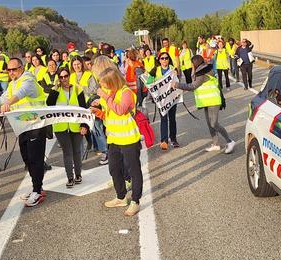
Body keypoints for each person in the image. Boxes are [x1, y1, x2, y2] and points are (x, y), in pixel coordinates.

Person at [0, 58, 50, 207]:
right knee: (27, 159)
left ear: (22, 67)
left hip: (36, 126)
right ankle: (37, 187)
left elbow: (20, 94)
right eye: (9, 70)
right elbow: (2, 98)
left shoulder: (28, 80)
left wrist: (7, 104)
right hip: (23, 127)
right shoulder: (13, 84)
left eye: (14, 69)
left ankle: (37, 191)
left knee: (35, 159)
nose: (11, 72)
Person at [90, 64, 142, 217]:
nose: (102, 87)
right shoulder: (110, 93)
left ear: (113, 82)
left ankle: (135, 201)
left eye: (104, 84)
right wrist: (98, 112)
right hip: (113, 138)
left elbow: (119, 110)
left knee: (134, 171)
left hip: (129, 138)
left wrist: (105, 97)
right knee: (113, 168)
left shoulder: (125, 92)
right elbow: (109, 115)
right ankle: (121, 197)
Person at [173, 55, 236, 154]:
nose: (191, 65)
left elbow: (193, 86)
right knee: (210, 124)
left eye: (192, 63)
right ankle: (215, 144)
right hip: (207, 101)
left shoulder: (202, 73)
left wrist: (177, 85)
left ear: (195, 63)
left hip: (213, 100)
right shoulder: (204, 69)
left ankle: (230, 141)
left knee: (214, 123)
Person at [46, 70, 88, 188]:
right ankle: (70, 177)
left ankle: (78, 175)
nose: (64, 79)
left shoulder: (77, 89)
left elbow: (83, 108)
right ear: (58, 78)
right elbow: (49, 103)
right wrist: (55, 88)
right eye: (61, 77)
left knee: (76, 151)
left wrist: (84, 125)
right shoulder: (56, 90)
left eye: (66, 76)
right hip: (61, 126)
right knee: (67, 152)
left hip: (76, 126)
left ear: (69, 76)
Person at [149, 52, 180, 150]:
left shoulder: (173, 69)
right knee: (163, 118)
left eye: (166, 58)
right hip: (161, 100)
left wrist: (176, 74)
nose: (164, 60)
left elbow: (177, 81)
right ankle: (164, 141)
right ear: (159, 60)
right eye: (162, 58)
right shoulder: (155, 70)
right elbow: (148, 82)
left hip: (171, 98)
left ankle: (173, 139)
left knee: (172, 119)